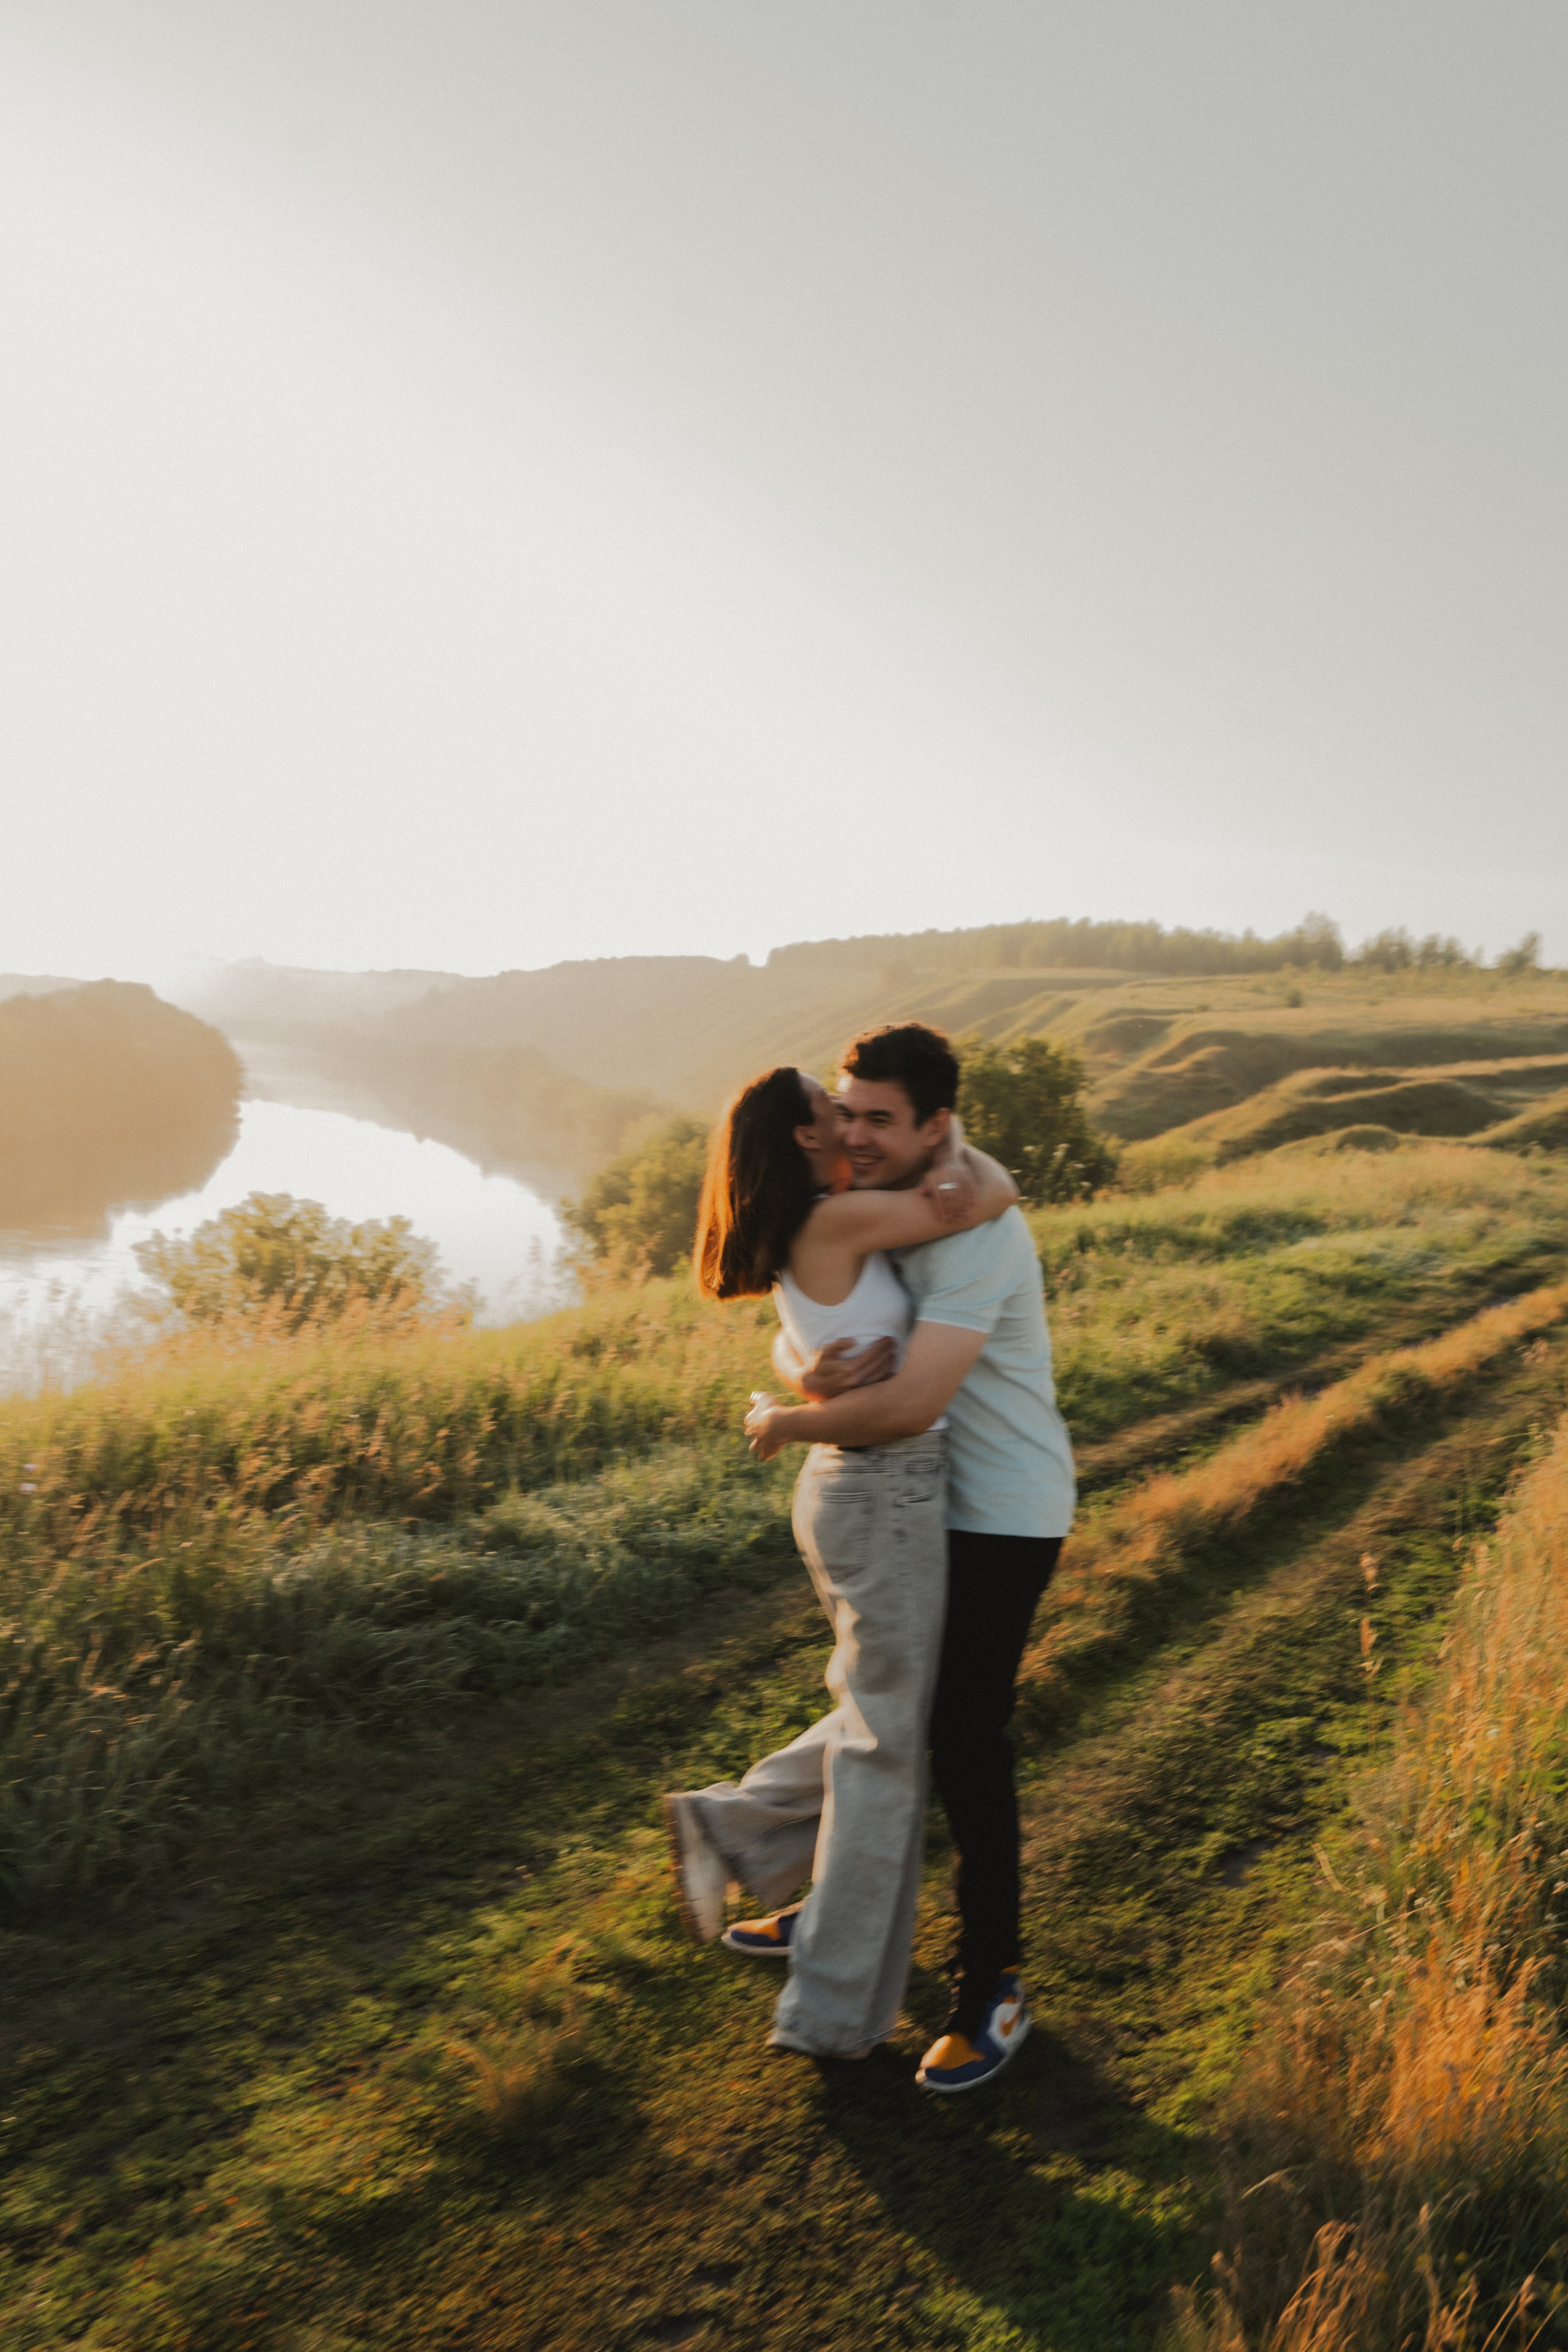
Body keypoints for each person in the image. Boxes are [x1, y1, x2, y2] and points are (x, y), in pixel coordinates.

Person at [662, 1063, 1019, 2062]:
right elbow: (993, 1193)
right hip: (884, 1486)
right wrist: (950, 1140)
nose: (851, 1126)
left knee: (885, 1717)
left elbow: (813, 1339)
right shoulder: (846, 1218)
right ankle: (830, 2010)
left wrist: (793, 1391)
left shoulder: (814, 1223)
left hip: (861, 1490)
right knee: (885, 1756)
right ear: (804, 1138)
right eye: (834, 1111)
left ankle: (732, 1827)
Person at [745, 1022, 1076, 2094]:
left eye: (880, 1119)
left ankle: (994, 1986)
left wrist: (785, 1422)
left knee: (962, 1736)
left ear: (937, 1125)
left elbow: (914, 1399)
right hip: (915, 1500)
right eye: (846, 1113)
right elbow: (827, 1315)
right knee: (879, 1709)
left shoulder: (974, 1230)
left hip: (1001, 1510)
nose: (855, 1134)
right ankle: (827, 1903)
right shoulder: (889, 1201)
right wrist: (803, 1370)